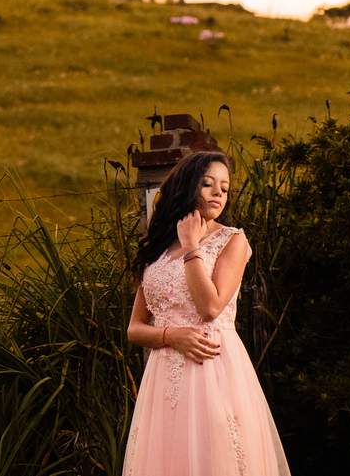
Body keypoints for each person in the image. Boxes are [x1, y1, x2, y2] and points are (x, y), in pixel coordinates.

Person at [122, 151, 289, 476]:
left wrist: (191, 247)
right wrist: (171, 336)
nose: (218, 193)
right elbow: (135, 328)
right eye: (209, 184)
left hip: (211, 370)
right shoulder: (156, 248)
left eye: (224, 188)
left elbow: (210, 308)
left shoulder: (232, 240)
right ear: (186, 186)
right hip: (163, 379)